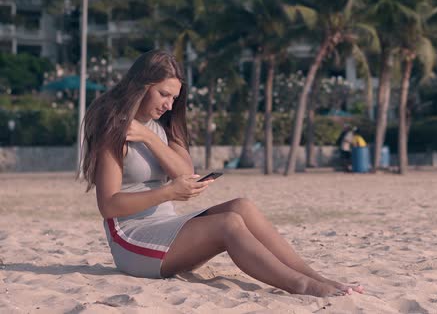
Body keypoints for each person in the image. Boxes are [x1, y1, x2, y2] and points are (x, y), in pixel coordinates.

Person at [78, 50, 362, 297]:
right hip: (133, 240)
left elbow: (184, 172)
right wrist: (167, 192)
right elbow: (109, 205)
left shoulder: (161, 125)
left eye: (174, 98)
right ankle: (301, 286)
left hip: (168, 228)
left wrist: (150, 138)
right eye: (163, 94)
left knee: (242, 206)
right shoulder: (114, 129)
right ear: (141, 86)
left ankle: (316, 277)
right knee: (228, 224)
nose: (169, 104)